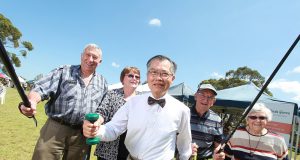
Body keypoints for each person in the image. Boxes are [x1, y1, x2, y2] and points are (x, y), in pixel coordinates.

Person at [83, 55, 193, 160]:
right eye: (153, 72)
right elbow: (113, 128)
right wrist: (96, 130)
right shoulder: (133, 103)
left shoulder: (182, 110)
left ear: (172, 78)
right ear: (148, 76)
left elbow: (184, 144)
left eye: (164, 74)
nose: (158, 78)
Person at [18, 43, 108, 160]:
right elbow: (40, 88)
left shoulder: (103, 82)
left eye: (95, 57)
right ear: (81, 56)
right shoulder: (64, 71)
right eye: (88, 55)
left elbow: (103, 108)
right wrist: (32, 101)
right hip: (55, 130)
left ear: (100, 61)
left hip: (82, 135)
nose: (90, 59)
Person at [95, 66, 141, 160]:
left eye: (137, 77)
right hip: (109, 146)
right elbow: (102, 111)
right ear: (122, 78)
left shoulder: (141, 99)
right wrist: (97, 121)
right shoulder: (112, 94)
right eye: (131, 75)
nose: (134, 79)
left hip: (130, 148)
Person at [224, 103, 288, 160]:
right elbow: (225, 156)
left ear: (267, 120)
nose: (257, 120)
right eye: (253, 117)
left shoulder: (278, 140)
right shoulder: (235, 133)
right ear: (247, 120)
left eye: (262, 118)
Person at [190, 83, 224, 160]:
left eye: (210, 97)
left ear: (213, 101)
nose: (205, 100)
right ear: (195, 96)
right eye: (202, 95)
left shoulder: (217, 120)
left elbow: (217, 144)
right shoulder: (183, 113)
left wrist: (219, 153)